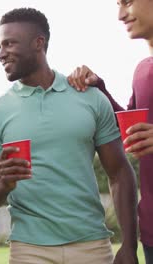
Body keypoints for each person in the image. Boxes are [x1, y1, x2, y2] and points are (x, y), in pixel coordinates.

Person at [0, 8, 138, 264]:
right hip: (28, 250)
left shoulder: (90, 97)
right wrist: (5, 184)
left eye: (9, 43)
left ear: (39, 43)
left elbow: (119, 172)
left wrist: (129, 245)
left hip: (92, 246)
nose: (1, 53)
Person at [67, 1, 153, 263]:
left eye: (128, 2)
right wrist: (99, 89)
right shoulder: (142, 70)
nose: (120, 15)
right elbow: (127, 129)